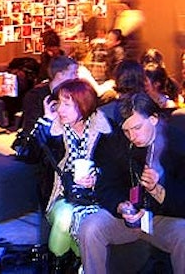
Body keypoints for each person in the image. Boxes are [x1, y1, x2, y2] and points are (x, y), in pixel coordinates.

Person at [77, 92, 185, 273]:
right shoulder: (117, 142)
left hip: (161, 219)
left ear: (153, 119)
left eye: (137, 128)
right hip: (126, 218)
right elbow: (106, 186)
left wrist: (158, 190)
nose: (132, 136)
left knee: (183, 234)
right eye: (126, 131)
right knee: (90, 226)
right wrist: (121, 206)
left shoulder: (178, 143)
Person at [42, 79, 114, 273]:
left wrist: (97, 177)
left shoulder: (105, 130)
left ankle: (80, 264)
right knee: (67, 216)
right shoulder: (53, 129)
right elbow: (31, 155)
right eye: (59, 103)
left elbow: (116, 168)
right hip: (61, 196)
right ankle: (57, 267)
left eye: (67, 104)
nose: (61, 110)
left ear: (83, 105)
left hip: (95, 197)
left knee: (85, 223)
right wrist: (46, 123)